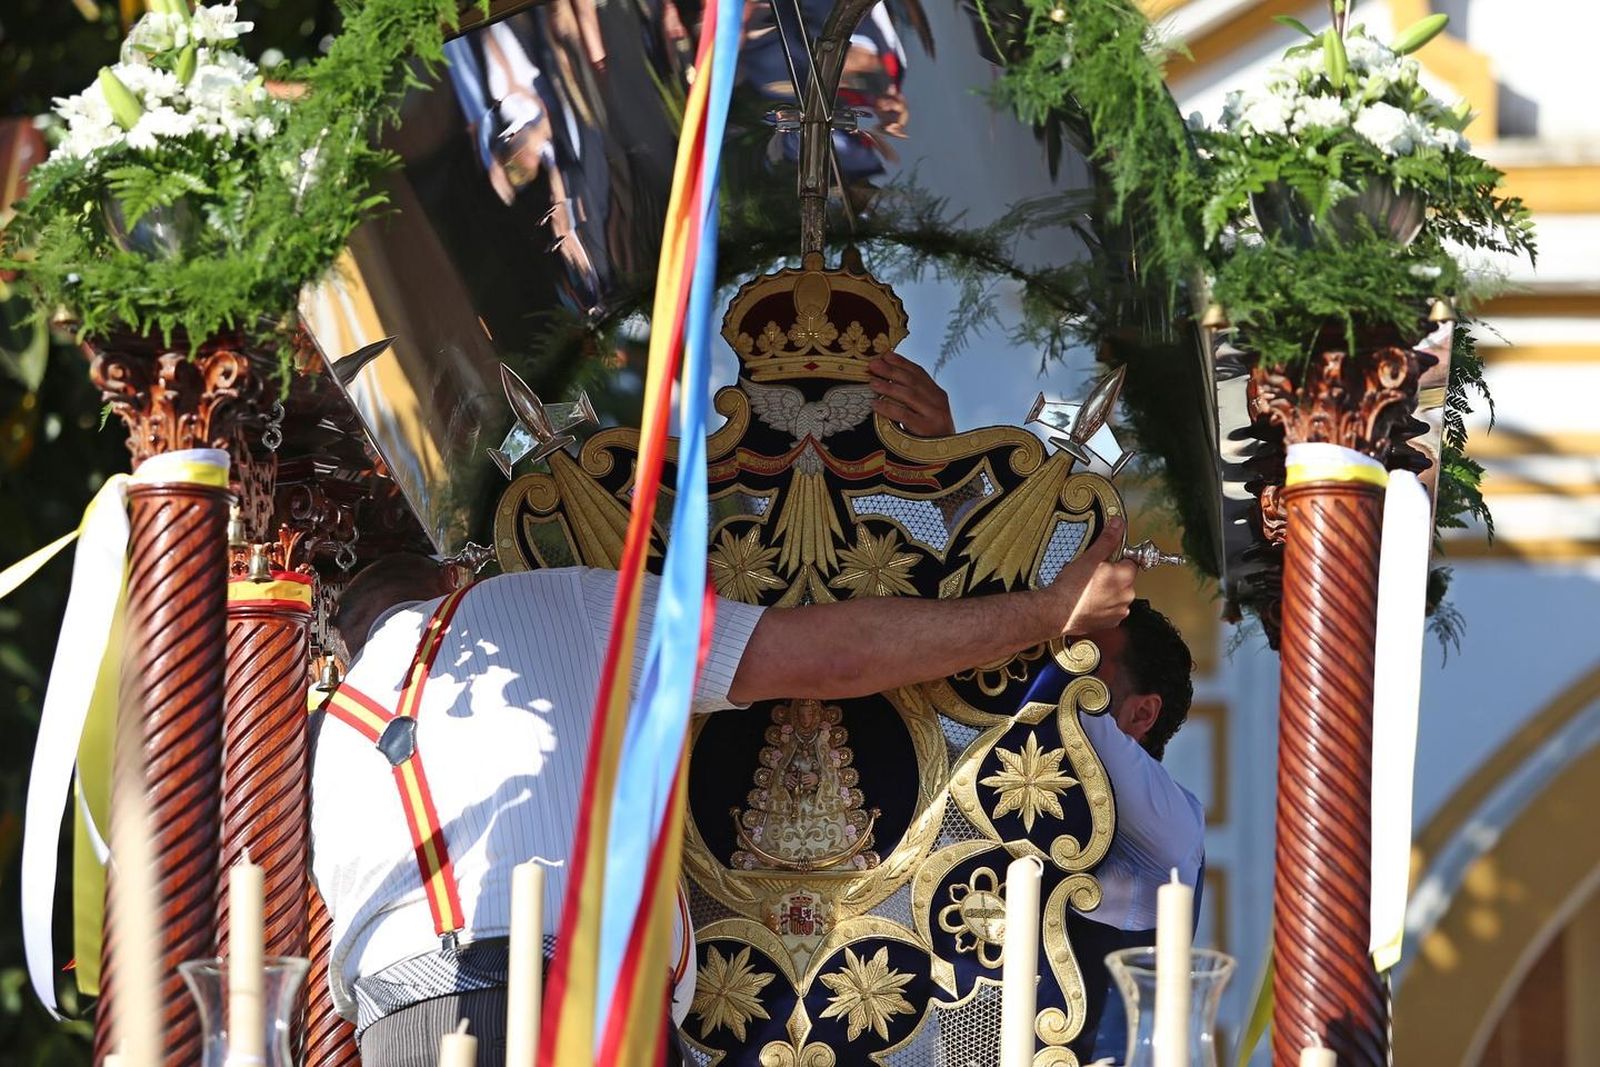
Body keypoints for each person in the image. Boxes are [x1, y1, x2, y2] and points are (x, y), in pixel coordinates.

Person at [309, 519, 1138, 1066]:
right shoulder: (544, 597)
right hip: (575, 1018)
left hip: (398, 1034)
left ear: (343, 647)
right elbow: (827, 659)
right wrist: (1051, 609)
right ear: (457, 579)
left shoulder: (329, 733)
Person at [1074, 599, 1204, 1060]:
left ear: (1142, 715)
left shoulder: (1173, 820)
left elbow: (1075, 715)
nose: (1064, 670)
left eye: (1085, 665)